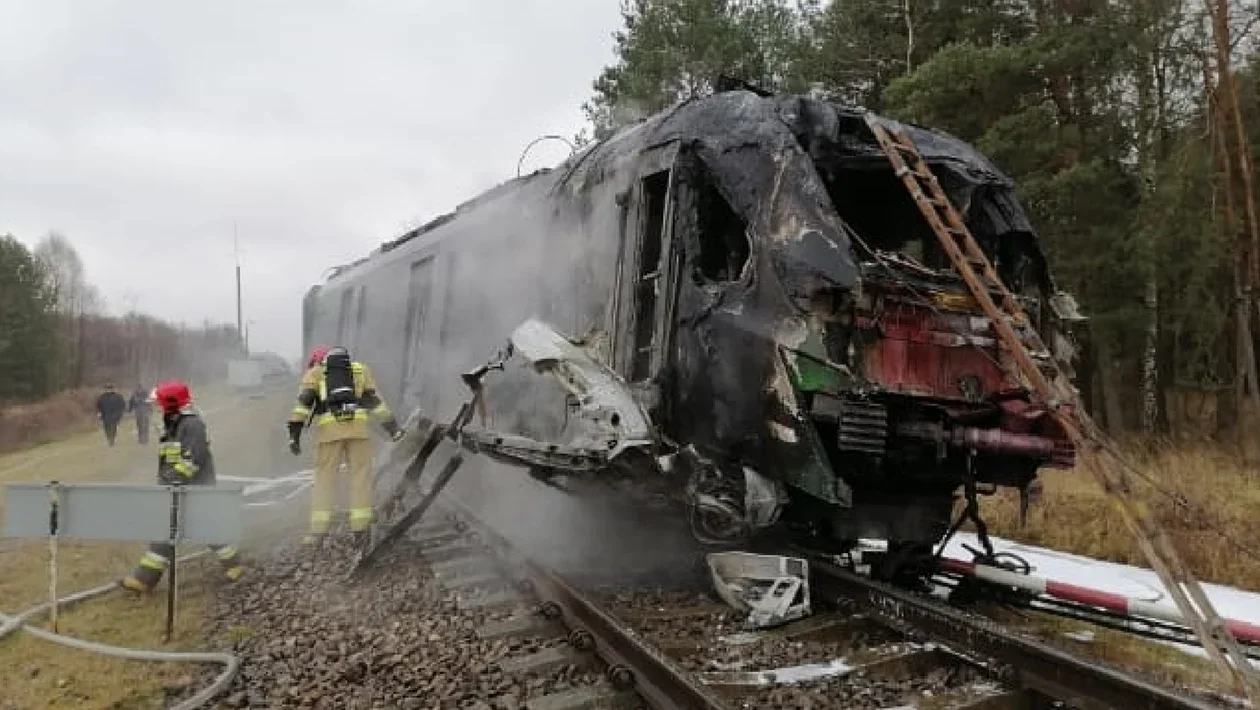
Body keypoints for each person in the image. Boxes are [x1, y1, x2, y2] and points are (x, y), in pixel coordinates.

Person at [120, 380, 245, 592]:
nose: (157, 407)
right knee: (168, 531)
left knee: (204, 530)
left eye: (160, 403)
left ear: (171, 403)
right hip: (178, 489)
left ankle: (234, 564)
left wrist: (174, 480)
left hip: (194, 489)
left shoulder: (192, 424)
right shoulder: (174, 423)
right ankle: (145, 579)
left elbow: (192, 459)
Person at [288, 345, 404, 546]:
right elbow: (376, 402)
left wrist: (294, 435)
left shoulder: (315, 373)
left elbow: (303, 405)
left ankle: (318, 533)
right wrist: (393, 428)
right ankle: (360, 529)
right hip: (358, 432)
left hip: (329, 434)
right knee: (360, 478)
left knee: (325, 480)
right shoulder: (361, 370)